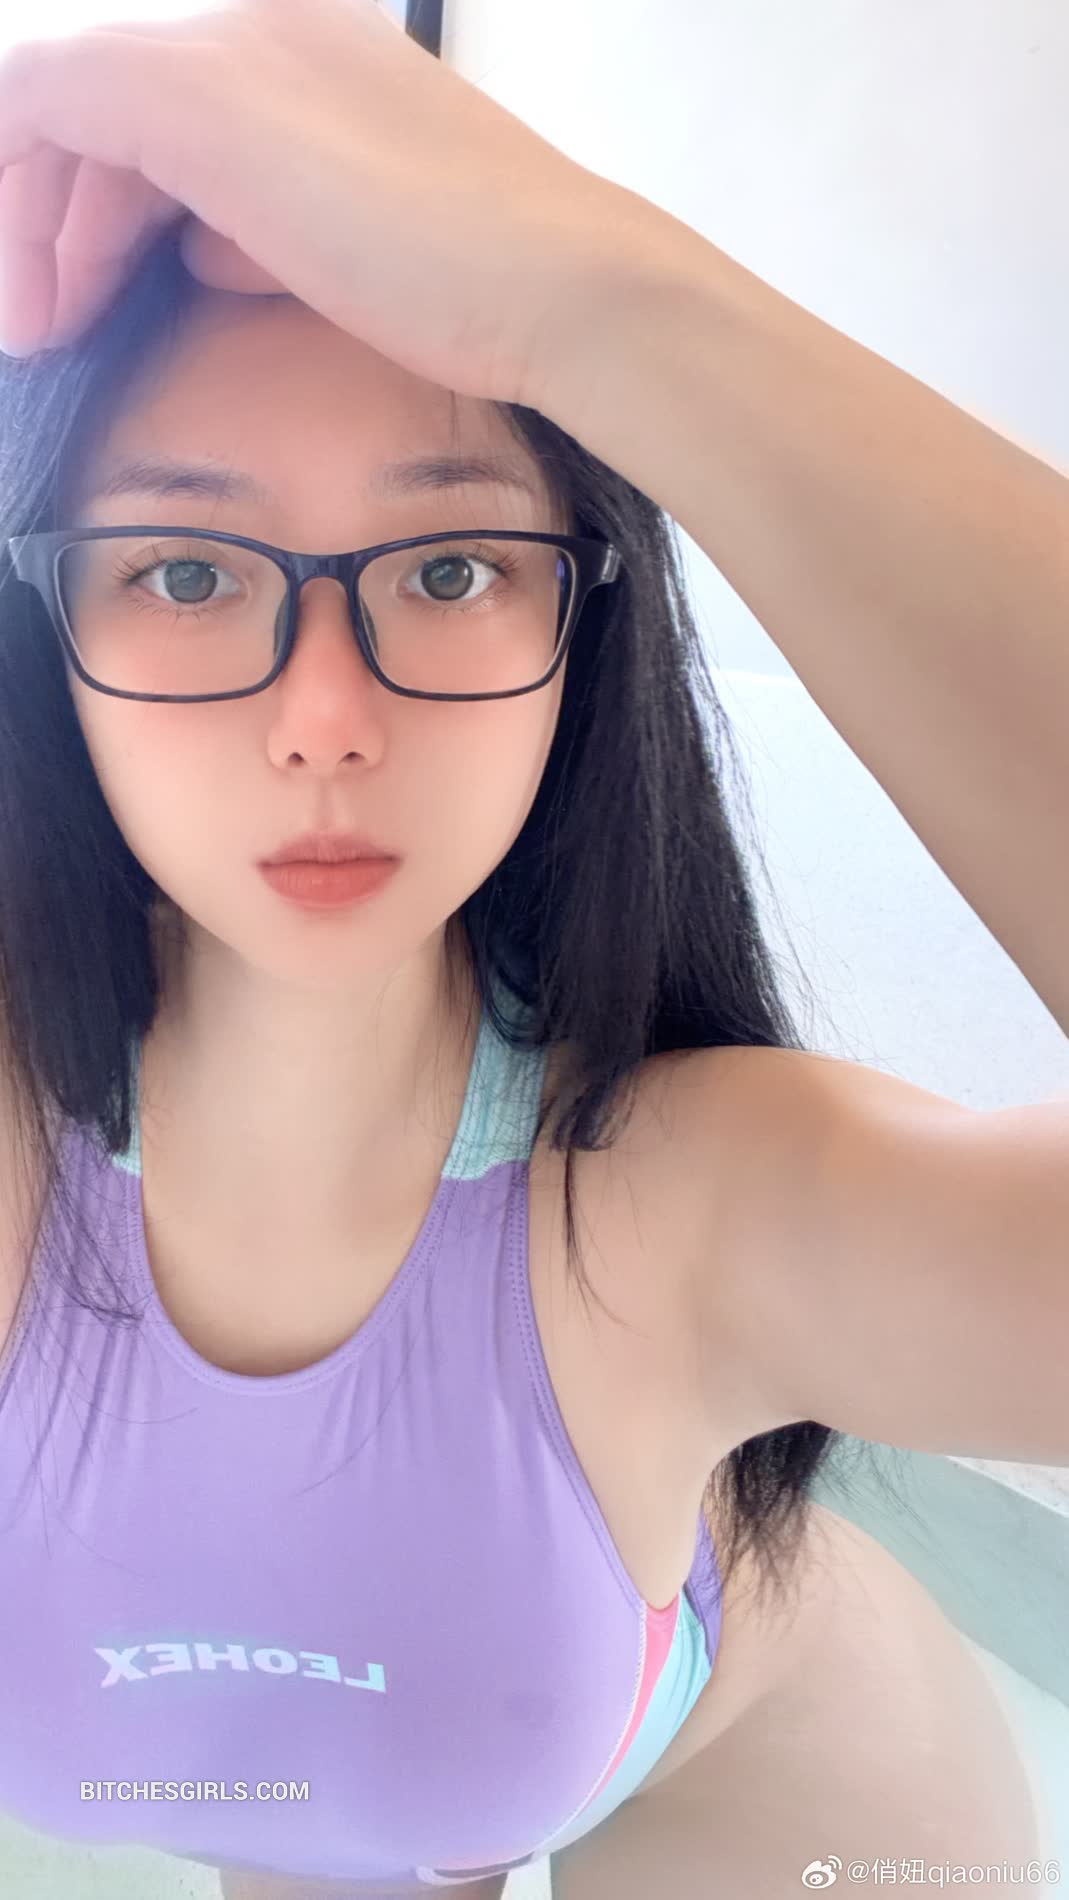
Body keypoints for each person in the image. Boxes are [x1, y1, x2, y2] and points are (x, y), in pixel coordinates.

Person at [0, 3, 1062, 1894]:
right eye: (185, 571)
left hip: (756, 1769)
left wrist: (615, 305)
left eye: (449, 568)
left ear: (581, 635)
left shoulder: (685, 1207)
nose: (324, 721)